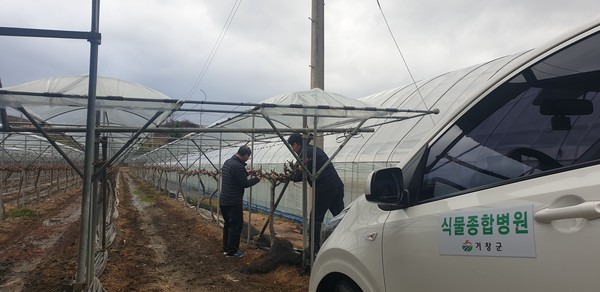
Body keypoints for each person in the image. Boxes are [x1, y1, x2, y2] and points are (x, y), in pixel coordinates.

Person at [287, 133, 344, 253]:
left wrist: (289, 177)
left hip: (325, 188)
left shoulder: (305, 153)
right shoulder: (314, 149)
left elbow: (301, 174)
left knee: (315, 219)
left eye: (292, 147)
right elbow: (306, 173)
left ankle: (314, 248)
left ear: (296, 144)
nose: (292, 150)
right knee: (340, 217)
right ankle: (345, 242)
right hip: (336, 185)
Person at [220, 145, 261, 257]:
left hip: (224, 200)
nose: (248, 159)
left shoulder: (228, 162)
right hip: (233, 201)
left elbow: (234, 177)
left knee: (228, 224)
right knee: (236, 225)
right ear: (245, 155)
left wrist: (247, 173)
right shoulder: (238, 166)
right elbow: (244, 184)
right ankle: (232, 251)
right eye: (248, 157)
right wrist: (256, 179)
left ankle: (226, 248)